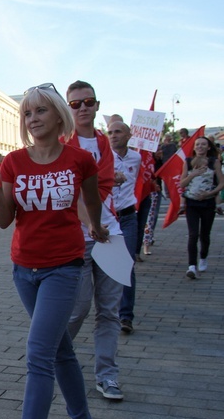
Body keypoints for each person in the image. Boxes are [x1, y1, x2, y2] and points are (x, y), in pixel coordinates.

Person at [0, 83, 108, 419]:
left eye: (41, 111)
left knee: (39, 354)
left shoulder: (79, 161)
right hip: (24, 269)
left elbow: (91, 202)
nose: (33, 118)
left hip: (64, 266)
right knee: (61, 351)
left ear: (60, 115)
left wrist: (98, 226)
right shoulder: (12, 163)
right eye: (27, 113)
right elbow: (6, 220)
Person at [64, 80, 127, 400]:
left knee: (110, 311)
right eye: (75, 104)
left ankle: (108, 376)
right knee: (77, 309)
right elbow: (70, 193)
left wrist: (102, 227)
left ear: (97, 105)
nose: (83, 108)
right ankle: (55, 359)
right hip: (80, 237)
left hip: (111, 235)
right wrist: (91, 225)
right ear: (68, 108)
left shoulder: (104, 143)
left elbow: (100, 186)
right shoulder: (64, 144)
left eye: (88, 102)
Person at [108, 121, 141, 334]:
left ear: (129, 135)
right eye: (110, 132)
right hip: (107, 217)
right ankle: (106, 308)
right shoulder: (103, 156)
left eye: (118, 132)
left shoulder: (136, 158)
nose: (113, 136)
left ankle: (126, 316)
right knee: (106, 267)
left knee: (126, 264)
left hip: (127, 216)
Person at [179, 136, 224, 278]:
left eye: (203, 145)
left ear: (208, 147)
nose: (200, 147)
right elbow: (182, 184)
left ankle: (203, 257)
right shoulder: (187, 162)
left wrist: (210, 193)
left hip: (207, 202)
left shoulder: (214, 162)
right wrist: (192, 174)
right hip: (192, 202)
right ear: (194, 147)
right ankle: (192, 266)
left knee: (205, 234)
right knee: (193, 234)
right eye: (197, 144)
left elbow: (222, 183)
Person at [142, 145, 164, 255]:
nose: (161, 152)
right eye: (158, 150)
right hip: (148, 191)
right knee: (149, 219)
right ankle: (146, 244)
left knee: (152, 218)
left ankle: (148, 240)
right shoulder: (148, 161)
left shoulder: (160, 161)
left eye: (161, 150)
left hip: (156, 192)